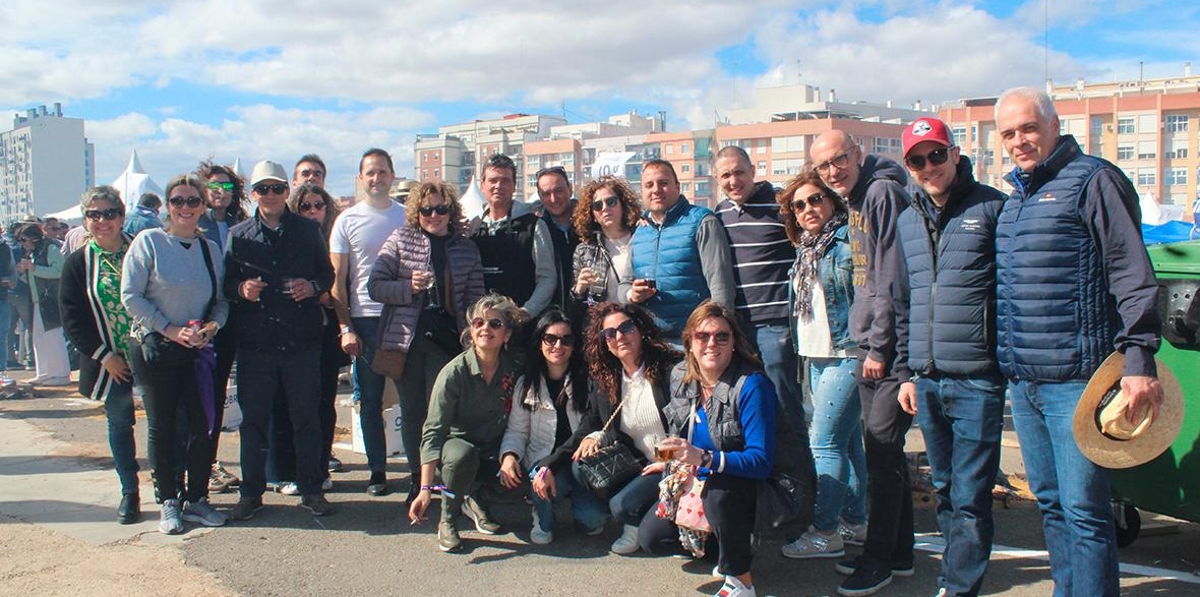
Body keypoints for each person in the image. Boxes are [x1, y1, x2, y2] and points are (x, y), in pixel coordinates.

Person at [994, 86, 1163, 597]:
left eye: (1028, 128)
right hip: (1025, 382)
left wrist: (1139, 358)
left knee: (1085, 510)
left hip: (1078, 379)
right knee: (1049, 503)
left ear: (1054, 124)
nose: (1019, 141)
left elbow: (1131, 271)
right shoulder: (1017, 199)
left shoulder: (1094, 180)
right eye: (1008, 133)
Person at [891, 117, 1007, 597]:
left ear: (956, 154)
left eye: (936, 154)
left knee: (971, 493)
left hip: (978, 377)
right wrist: (906, 373)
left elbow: (1011, 293)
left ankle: (960, 587)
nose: (929, 166)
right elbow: (904, 301)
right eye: (918, 159)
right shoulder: (907, 219)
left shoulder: (994, 209)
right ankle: (954, 576)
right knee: (944, 488)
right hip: (928, 377)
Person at [809, 129, 913, 597]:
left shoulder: (880, 193)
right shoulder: (858, 197)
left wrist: (877, 347)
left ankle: (879, 561)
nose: (834, 171)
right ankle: (899, 552)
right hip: (875, 340)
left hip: (881, 348)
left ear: (859, 153)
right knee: (886, 456)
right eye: (825, 166)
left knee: (882, 456)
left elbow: (891, 276)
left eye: (840, 160)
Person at [640, 301, 802, 597]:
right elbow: (679, 435)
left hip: (762, 486)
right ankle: (731, 545)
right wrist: (667, 459)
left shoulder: (752, 385)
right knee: (651, 537)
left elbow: (761, 462)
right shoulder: (681, 375)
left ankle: (741, 581)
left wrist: (702, 458)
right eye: (702, 336)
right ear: (689, 342)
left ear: (734, 343)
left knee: (719, 494)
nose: (711, 343)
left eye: (721, 336)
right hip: (704, 474)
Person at [224, 160, 335, 520]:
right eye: (262, 189)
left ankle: (312, 489)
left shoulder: (306, 230)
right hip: (257, 345)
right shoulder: (239, 234)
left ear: (287, 191)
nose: (270, 195)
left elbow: (327, 272)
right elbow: (225, 285)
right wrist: (241, 289)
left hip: (301, 343)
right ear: (252, 194)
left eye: (276, 188)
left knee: (306, 420)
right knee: (254, 423)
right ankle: (251, 493)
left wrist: (313, 286)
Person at [121, 174, 229, 534]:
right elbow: (131, 296)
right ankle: (169, 498)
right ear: (167, 206)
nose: (186, 208)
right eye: (178, 201)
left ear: (203, 206)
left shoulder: (209, 249)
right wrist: (168, 328)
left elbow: (221, 301)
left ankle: (197, 497)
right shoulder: (148, 242)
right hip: (158, 348)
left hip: (198, 350)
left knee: (203, 425)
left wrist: (211, 327)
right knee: (163, 425)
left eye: (192, 201)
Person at [367, 180, 485, 503]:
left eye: (441, 209)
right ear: (416, 211)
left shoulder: (465, 247)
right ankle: (417, 481)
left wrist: (474, 338)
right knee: (413, 411)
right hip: (407, 340)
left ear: (451, 211)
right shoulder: (401, 239)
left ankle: (445, 480)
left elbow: (476, 297)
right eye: (426, 209)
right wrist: (408, 287)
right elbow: (374, 286)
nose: (434, 215)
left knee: (443, 414)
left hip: (447, 340)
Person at [775, 170, 868, 560]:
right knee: (848, 443)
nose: (808, 209)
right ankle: (856, 520)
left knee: (824, 443)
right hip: (815, 355)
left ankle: (826, 530)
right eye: (799, 205)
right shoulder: (806, 248)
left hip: (847, 354)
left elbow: (866, 296)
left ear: (831, 201)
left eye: (816, 200)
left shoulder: (848, 244)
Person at [408, 293, 526, 553]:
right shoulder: (454, 373)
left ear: (506, 335)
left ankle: (475, 498)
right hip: (456, 453)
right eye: (478, 323)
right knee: (463, 455)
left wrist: (510, 456)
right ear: (470, 332)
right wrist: (425, 488)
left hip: (494, 450)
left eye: (495, 324)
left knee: (523, 482)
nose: (486, 329)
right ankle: (448, 519)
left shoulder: (515, 369)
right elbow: (433, 433)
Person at [58, 186, 141, 524]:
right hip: (111, 360)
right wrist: (104, 355)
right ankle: (130, 491)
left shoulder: (141, 248)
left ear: (121, 216)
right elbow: (71, 315)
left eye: (110, 213)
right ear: (86, 220)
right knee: (121, 421)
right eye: (95, 214)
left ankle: (171, 490)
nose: (103, 220)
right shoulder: (78, 262)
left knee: (169, 421)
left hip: (150, 352)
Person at [713, 145, 807, 441]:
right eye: (726, 175)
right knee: (749, 405)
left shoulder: (782, 206)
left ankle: (799, 474)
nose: (733, 181)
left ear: (753, 171)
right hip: (737, 327)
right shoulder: (719, 213)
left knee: (785, 406)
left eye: (739, 172)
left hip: (776, 325)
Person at [571, 301, 680, 554]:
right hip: (640, 464)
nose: (619, 336)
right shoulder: (608, 377)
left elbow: (685, 427)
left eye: (626, 327)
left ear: (640, 329)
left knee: (622, 505)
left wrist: (668, 461)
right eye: (610, 333)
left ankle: (648, 517)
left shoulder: (669, 369)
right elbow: (594, 420)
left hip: (671, 462)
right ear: (604, 342)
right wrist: (593, 436)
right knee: (580, 466)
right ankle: (640, 515)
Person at [329, 148, 407, 496]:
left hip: (404, 318)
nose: (376, 179)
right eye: (369, 173)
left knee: (412, 398)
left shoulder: (408, 217)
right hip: (366, 319)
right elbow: (338, 280)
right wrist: (345, 326)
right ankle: (378, 469)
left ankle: (421, 471)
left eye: (382, 172)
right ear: (361, 179)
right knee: (371, 400)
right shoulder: (347, 220)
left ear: (392, 175)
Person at [498, 309, 606, 544]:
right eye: (550, 338)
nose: (558, 345)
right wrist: (508, 456)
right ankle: (542, 516)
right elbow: (517, 431)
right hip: (543, 461)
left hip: (579, 464)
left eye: (566, 339)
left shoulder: (587, 380)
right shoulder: (526, 384)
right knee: (540, 476)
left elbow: (596, 424)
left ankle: (579, 508)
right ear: (540, 342)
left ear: (574, 345)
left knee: (594, 522)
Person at [629, 158, 734, 342]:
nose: (656, 190)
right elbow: (624, 284)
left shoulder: (701, 221)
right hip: (652, 343)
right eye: (649, 185)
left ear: (677, 187)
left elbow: (720, 284)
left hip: (694, 341)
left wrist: (719, 336)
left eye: (663, 183)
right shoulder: (639, 232)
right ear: (642, 191)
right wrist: (632, 294)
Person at [287, 182, 347, 493]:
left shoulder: (334, 237)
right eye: (306, 206)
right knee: (299, 405)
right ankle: (297, 469)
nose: (313, 212)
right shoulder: (293, 237)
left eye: (318, 206)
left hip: (329, 332)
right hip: (299, 333)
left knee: (325, 403)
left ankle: (321, 465)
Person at [196, 160, 248, 495]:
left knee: (240, 396)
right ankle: (204, 464)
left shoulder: (238, 224)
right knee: (205, 398)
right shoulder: (190, 223)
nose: (221, 192)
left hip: (235, 319)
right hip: (199, 324)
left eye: (227, 187)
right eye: (214, 186)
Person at [468, 154, 557, 321]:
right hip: (482, 327)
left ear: (514, 186)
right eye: (493, 180)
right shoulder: (472, 228)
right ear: (482, 185)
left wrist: (527, 311)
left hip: (520, 325)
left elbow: (547, 278)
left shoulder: (534, 226)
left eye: (505, 181)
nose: (498, 186)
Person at [568, 176, 639, 320]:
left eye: (611, 202)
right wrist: (579, 289)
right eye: (598, 206)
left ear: (623, 205)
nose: (605, 208)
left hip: (639, 323)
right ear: (593, 215)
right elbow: (575, 307)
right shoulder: (585, 251)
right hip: (604, 328)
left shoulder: (642, 238)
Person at [16, 223, 71, 386]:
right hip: (37, 299)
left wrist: (33, 268)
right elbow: (34, 276)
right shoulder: (34, 252)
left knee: (54, 336)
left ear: (33, 237)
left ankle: (61, 374)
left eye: (24, 239)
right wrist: (23, 273)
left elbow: (60, 271)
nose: (22, 243)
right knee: (39, 338)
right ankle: (45, 372)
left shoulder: (50, 249)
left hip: (50, 299)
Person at [536, 166, 580, 310]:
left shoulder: (591, 222)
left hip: (588, 310)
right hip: (551, 316)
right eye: (546, 193)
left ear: (570, 189)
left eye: (559, 191)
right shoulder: (535, 229)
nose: (553, 199)